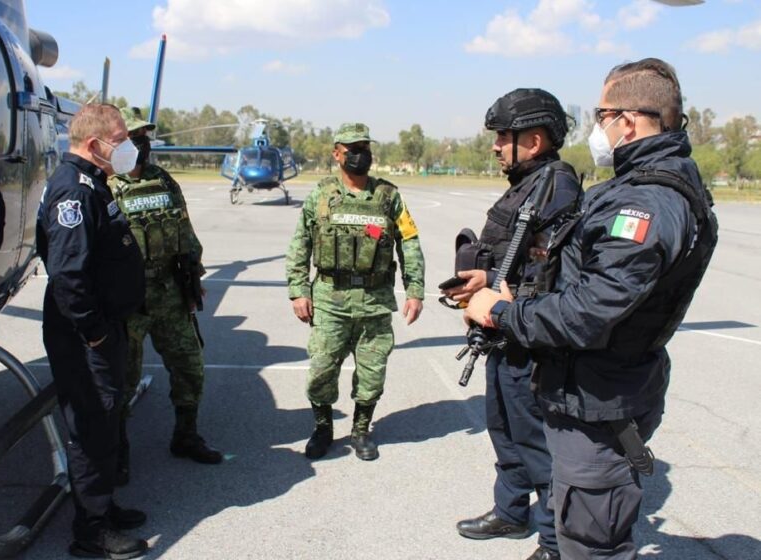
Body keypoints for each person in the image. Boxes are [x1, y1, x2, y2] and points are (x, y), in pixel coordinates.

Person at [465, 58, 718, 559]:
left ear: (627, 120)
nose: (597, 128)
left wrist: (501, 314)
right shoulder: (638, 188)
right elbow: (585, 281)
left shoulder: (644, 202)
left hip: (600, 396)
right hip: (593, 388)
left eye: (602, 115)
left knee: (591, 544)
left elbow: (590, 310)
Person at [444, 89, 581, 560]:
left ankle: (552, 541)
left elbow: (556, 271)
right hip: (504, 332)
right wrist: (484, 278)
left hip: (527, 337)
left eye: (504, 136)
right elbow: (518, 254)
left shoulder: (556, 186)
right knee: (502, 426)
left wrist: (503, 300)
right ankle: (511, 511)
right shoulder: (529, 183)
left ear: (535, 140)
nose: (496, 145)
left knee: (534, 439)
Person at [37, 104, 148, 559]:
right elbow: (69, 275)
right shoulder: (73, 193)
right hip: (85, 334)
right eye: (120, 139)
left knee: (104, 421)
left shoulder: (91, 183)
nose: (127, 146)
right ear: (94, 143)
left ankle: (102, 505)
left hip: (100, 326)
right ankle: (91, 531)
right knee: (91, 426)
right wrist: (96, 334)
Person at [286, 122, 425, 461]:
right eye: (353, 150)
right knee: (321, 369)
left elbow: (409, 241)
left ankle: (361, 430)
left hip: (375, 302)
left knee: (372, 371)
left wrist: (415, 289)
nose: (361, 156)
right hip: (329, 299)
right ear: (337, 154)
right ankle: (322, 427)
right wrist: (297, 290)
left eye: (365, 149)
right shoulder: (321, 195)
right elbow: (300, 243)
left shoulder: (389, 197)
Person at [109, 107, 222, 487]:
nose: (141, 144)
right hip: (129, 299)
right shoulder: (106, 185)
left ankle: (185, 436)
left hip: (170, 293)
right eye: (134, 137)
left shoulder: (163, 180)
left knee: (190, 366)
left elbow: (185, 233)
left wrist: (192, 279)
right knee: (124, 379)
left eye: (145, 137)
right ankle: (117, 452)